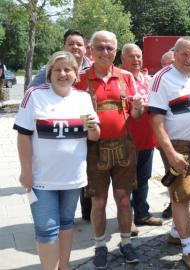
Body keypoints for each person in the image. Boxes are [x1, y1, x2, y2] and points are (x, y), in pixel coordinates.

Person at [14, 51, 100, 270]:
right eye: (58, 69)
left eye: (68, 69)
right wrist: (25, 172)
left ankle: (65, 266)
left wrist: (93, 126)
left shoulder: (82, 98)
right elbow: (23, 135)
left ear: (75, 74)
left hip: (72, 177)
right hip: (42, 179)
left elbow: (94, 136)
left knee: (66, 224)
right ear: (49, 72)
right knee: (46, 230)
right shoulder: (35, 95)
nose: (63, 73)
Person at [75, 30, 143, 269]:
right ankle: (100, 245)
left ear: (116, 50)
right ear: (91, 49)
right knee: (99, 202)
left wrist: (138, 107)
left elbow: (136, 115)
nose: (105, 52)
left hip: (124, 147)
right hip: (94, 149)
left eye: (110, 48)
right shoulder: (80, 78)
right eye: (100, 47)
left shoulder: (126, 76)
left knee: (124, 199)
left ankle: (125, 242)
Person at [149, 36, 190, 270]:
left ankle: (177, 233)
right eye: (184, 54)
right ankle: (188, 249)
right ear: (174, 54)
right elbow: (156, 122)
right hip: (177, 147)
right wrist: (170, 154)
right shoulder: (162, 79)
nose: (189, 59)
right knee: (182, 197)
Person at [28, 29, 94, 223]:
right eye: (70, 43)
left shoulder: (92, 68)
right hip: (59, 129)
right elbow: (33, 96)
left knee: (85, 170)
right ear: (64, 46)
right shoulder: (50, 69)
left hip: (88, 127)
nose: (75, 47)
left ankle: (86, 213)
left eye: (79, 44)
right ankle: (60, 218)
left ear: (85, 48)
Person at [121, 43, 163, 228]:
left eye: (139, 56)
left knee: (143, 178)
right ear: (122, 59)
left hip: (147, 139)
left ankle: (142, 214)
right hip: (127, 139)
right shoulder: (120, 79)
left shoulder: (147, 80)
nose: (136, 60)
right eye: (131, 56)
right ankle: (127, 218)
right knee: (126, 181)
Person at [160, 48, 190, 220]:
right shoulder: (162, 81)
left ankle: (179, 222)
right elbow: (157, 119)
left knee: (189, 184)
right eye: (168, 64)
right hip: (174, 143)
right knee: (178, 184)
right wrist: (169, 149)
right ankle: (183, 237)